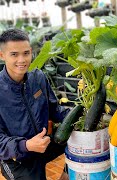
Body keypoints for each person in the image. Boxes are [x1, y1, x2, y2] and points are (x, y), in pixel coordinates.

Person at [0, 29, 70, 180]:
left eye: (26, 53)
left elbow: (54, 110)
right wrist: (26, 145)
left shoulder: (38, 77)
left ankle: (65, 176)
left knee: (80, 141)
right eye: (14, 54)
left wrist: (77, 116)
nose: (22, 60)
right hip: (17, 157)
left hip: (45, 143)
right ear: (2, 55)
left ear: (31, 51)